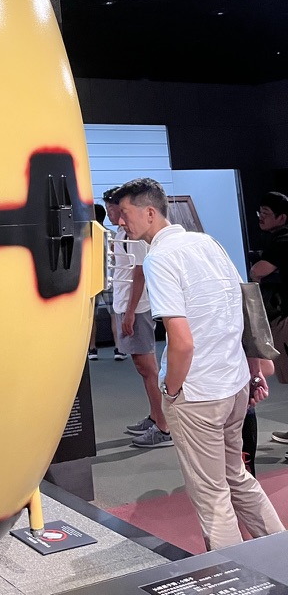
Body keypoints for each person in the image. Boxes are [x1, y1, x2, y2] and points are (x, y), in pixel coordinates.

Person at [114, 176, 284, 551]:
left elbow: (182, 341)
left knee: (212, 496)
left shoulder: (160, 258)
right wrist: (253, 370)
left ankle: (235, 576)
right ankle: (278, 553)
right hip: (234, 384)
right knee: (237, 476)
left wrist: (172, 390)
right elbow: (246, 308)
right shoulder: (208, 243)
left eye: (125, 213)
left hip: (198, 393)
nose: (121, 222)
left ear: (149, 212)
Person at [103, 186, 171, 449]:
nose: (112, 214)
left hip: (138, 307)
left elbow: (140, 273)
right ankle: (155, 416)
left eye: (116, 209)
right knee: (142, 367)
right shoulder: (123, 234)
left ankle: (164, 426)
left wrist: (131, 312)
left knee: (148, 367)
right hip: (124, 303)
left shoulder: (137, 237)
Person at [249, 192, 288, 453]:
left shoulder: (283, 240)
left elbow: (257, 271)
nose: (261, 218)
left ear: (282, 217)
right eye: (259, 213)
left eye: (266, 214)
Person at [87, 203, 126, 361]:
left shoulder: (86, 238)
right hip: (109, 278)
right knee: (114, 314)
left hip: (91, 281)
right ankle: (119, 349)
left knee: (90, 316)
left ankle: (92, 349)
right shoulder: (112, 235)